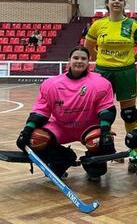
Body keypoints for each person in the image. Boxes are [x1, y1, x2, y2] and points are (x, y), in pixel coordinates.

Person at [15, 46, 116, 181]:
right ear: (69, 60)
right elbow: (41, 111)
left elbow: (106, 110)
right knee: (36, 138)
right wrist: (26, 131)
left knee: (97, 141)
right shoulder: (51, 84)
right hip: (61, 127)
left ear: (89, 61)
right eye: (76, 58)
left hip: (87, 127)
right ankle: (63, 158)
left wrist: (105, 131)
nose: (79, 61)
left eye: (83, 58)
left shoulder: (101, 83)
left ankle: (93, 163)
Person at [85, 0, 137, 136]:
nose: (117, 1)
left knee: (129, 113)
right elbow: (88, 49)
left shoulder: (133, 25)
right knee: (102, 112)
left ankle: (134, 147)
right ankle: (104, 145)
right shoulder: (97, 25)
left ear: (124, 3)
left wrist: (128, 62)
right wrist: (102, 59)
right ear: (107, 3)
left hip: (126, 72)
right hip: (102, 72)